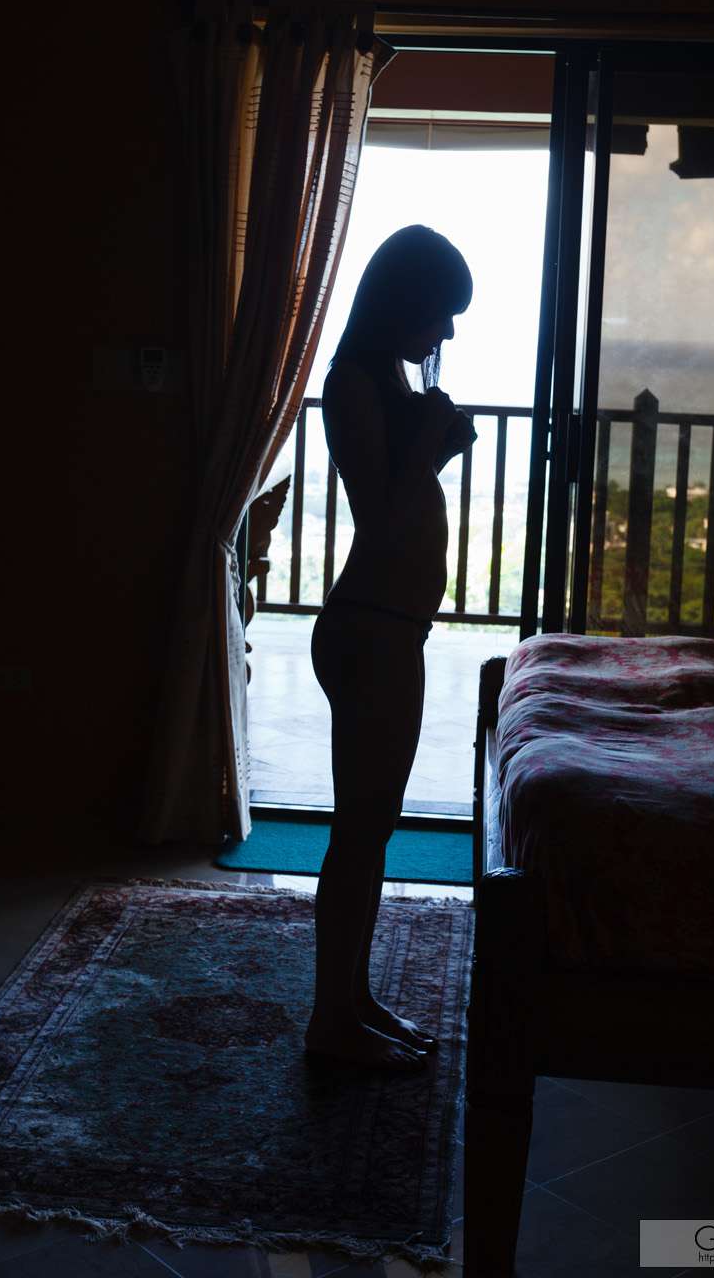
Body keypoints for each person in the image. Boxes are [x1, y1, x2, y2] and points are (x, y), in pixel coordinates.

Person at [304, 225, 476, 1072]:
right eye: (439, 312)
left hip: (389, 629)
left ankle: (352, 1000)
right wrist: (432, 445)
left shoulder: (389, 382)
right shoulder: (349, 383)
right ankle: (328, 1026)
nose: (445, 332)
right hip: (368, 628)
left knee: (371, 831)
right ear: (403, 302)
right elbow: (377, 516)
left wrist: (431, 436)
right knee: (358, 832)